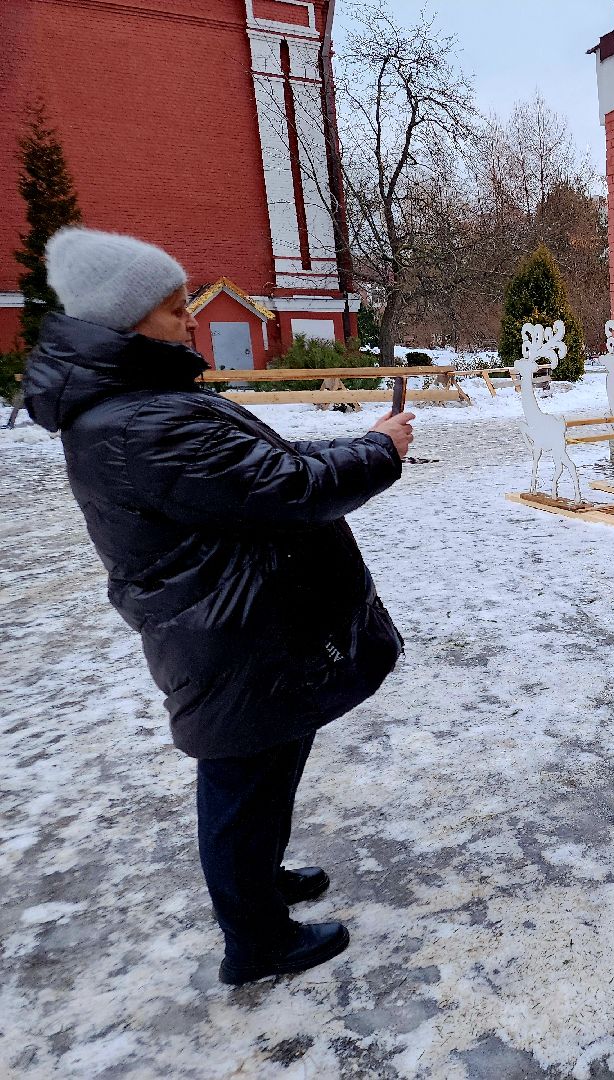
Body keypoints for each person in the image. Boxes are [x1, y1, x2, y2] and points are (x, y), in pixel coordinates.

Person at [23, 227, 415, 985]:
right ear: (125, 322)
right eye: (174, 312)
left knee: (268, 765)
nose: (192, 322)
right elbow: (289, 488)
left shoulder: (139, 405)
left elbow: (261, 468)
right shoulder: (144, 422)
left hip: (241, 626)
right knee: (241, 784)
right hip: (227, 635)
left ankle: (258, 884)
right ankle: (257, 941)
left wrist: (352, 445)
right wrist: (379, 451)